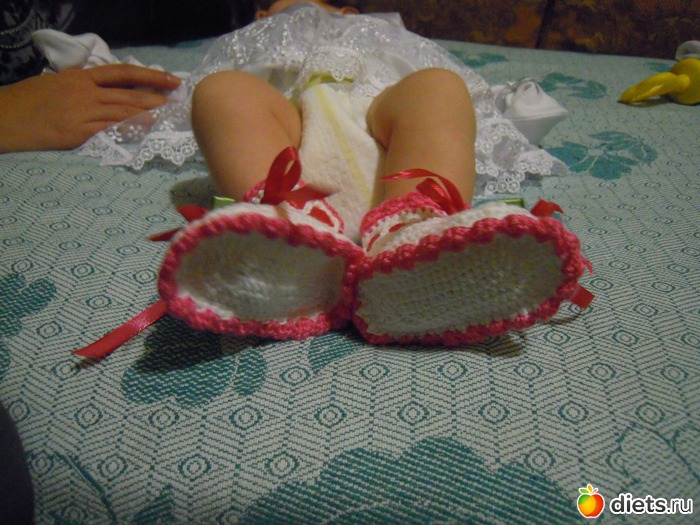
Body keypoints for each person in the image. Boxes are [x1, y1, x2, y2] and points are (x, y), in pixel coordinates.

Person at [89, 0, 590, 346]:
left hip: (386, 129)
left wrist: (513, 101)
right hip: (290, 141)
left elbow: (474, 99)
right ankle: (285, 228)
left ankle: (415, 230)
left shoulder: (383, 43)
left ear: (351, 13)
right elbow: (177, 91)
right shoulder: (256, 49)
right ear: (261, 17)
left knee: (439, 86)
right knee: (219, 91)